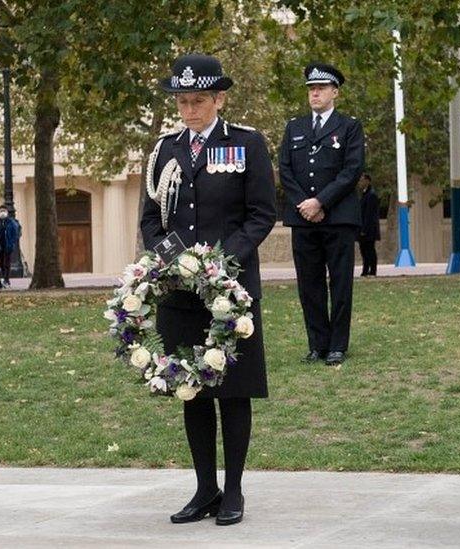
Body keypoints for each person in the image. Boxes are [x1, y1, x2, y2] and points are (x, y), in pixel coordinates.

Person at [141, 53, 276, 526]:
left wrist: (220, 263)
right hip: (181, 293)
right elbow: (151, 222)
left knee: (233, 390)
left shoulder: (245, 144)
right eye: (182, 101)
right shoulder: (163, 151)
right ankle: (204, 489)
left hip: (229, 292)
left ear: (219, 98)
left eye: (198, 100)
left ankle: (234, 490)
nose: (190, 110)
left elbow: (262, 214)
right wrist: (175, 262)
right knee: (191, 389)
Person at [278, 63, 365, 366]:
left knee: (340, 284)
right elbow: (285, 170)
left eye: (321, 88)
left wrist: (321, 202)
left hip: (338, 216)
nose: (314, 93)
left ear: (335, 92)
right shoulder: (295, 127)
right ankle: (317, 344)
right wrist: (305, 203)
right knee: (309, 284)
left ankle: (337, 345)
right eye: (311, 88)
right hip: (302, 217)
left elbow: (352, 170)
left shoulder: (349, 126)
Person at [0, 204, 21, 286]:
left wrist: (12, 243)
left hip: (7, 245)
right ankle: (5, 278)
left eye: (4, 211)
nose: (2, 213)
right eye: (1, 211)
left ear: (7, 212)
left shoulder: (11, 222)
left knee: (7, 263)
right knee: (1, 263)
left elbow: (15, 233)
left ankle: (6, 279)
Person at [357, 175, 380, 276]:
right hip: (363, 227)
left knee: (370, 249)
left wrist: (364, 229)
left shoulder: (371, 195)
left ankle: (372, 270)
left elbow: (369, 214)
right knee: (363, 249)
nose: (360, 183)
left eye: (362, 181)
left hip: (369, 228)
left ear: (367, 181)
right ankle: (365, 269)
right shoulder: (364, 194)